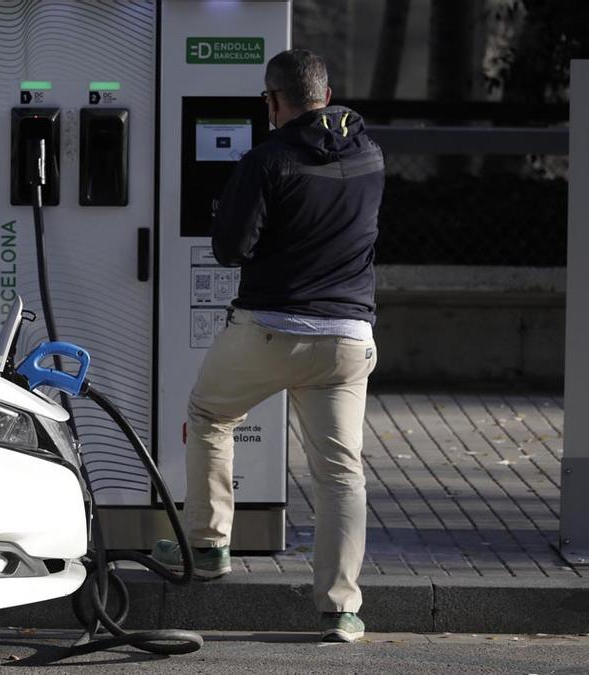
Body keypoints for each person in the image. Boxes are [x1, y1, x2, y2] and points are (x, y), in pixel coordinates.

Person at [153, 48, 384, 643]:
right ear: (327, 96)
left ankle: (208, 548)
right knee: (340, 474)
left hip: (270, 329)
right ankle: (340, 610)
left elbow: (230, 247)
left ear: (275, 101)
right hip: (347, 338)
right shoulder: (369, 154)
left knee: (209, 414)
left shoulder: (267, 159)